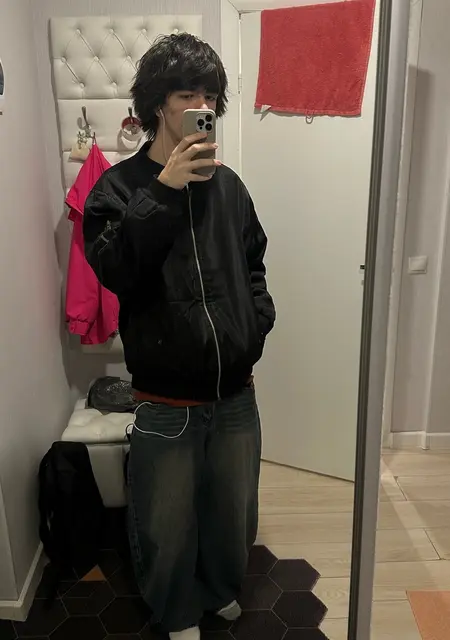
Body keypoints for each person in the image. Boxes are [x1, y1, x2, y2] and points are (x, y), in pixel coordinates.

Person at [83, 33, 275, 640]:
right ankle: (174, 609)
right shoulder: (117, 189)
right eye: (187, 94)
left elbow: (254, 265)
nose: (202, 106)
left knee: (232, 514)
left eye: (209, 95)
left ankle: (219, 589)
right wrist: (162, 191)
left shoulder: (229, 187)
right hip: (164, 401)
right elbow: (116, 271)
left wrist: (255, 324)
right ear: (158, 103)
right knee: (164, 524)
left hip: (235, 392)